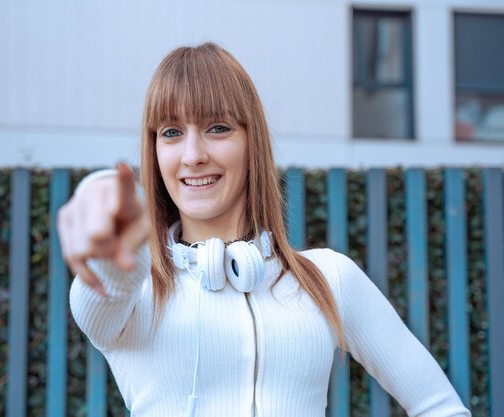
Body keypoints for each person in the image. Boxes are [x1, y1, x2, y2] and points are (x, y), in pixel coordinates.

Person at [58, 43, 470, 417]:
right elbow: (110, 271)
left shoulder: (329, 279)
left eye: (217, 128)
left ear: (251, 141)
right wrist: (102, 201)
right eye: (171, 133)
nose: (193, 155)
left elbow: (442, 409)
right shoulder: (136, 286)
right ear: (154, 150)